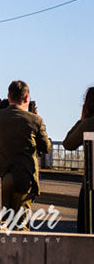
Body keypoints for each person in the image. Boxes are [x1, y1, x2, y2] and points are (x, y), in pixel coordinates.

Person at [0, 80, 51, 229]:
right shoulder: (35, 120)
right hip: (23, 178)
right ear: (27, 98)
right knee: (21, 226)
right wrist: (38, 121)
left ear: (8, 97)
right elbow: (46, 147)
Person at [62, 87, 94, 233]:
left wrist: (81, 120)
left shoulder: (89, 124)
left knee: (85, 229)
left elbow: (68, 143)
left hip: (90, 184)